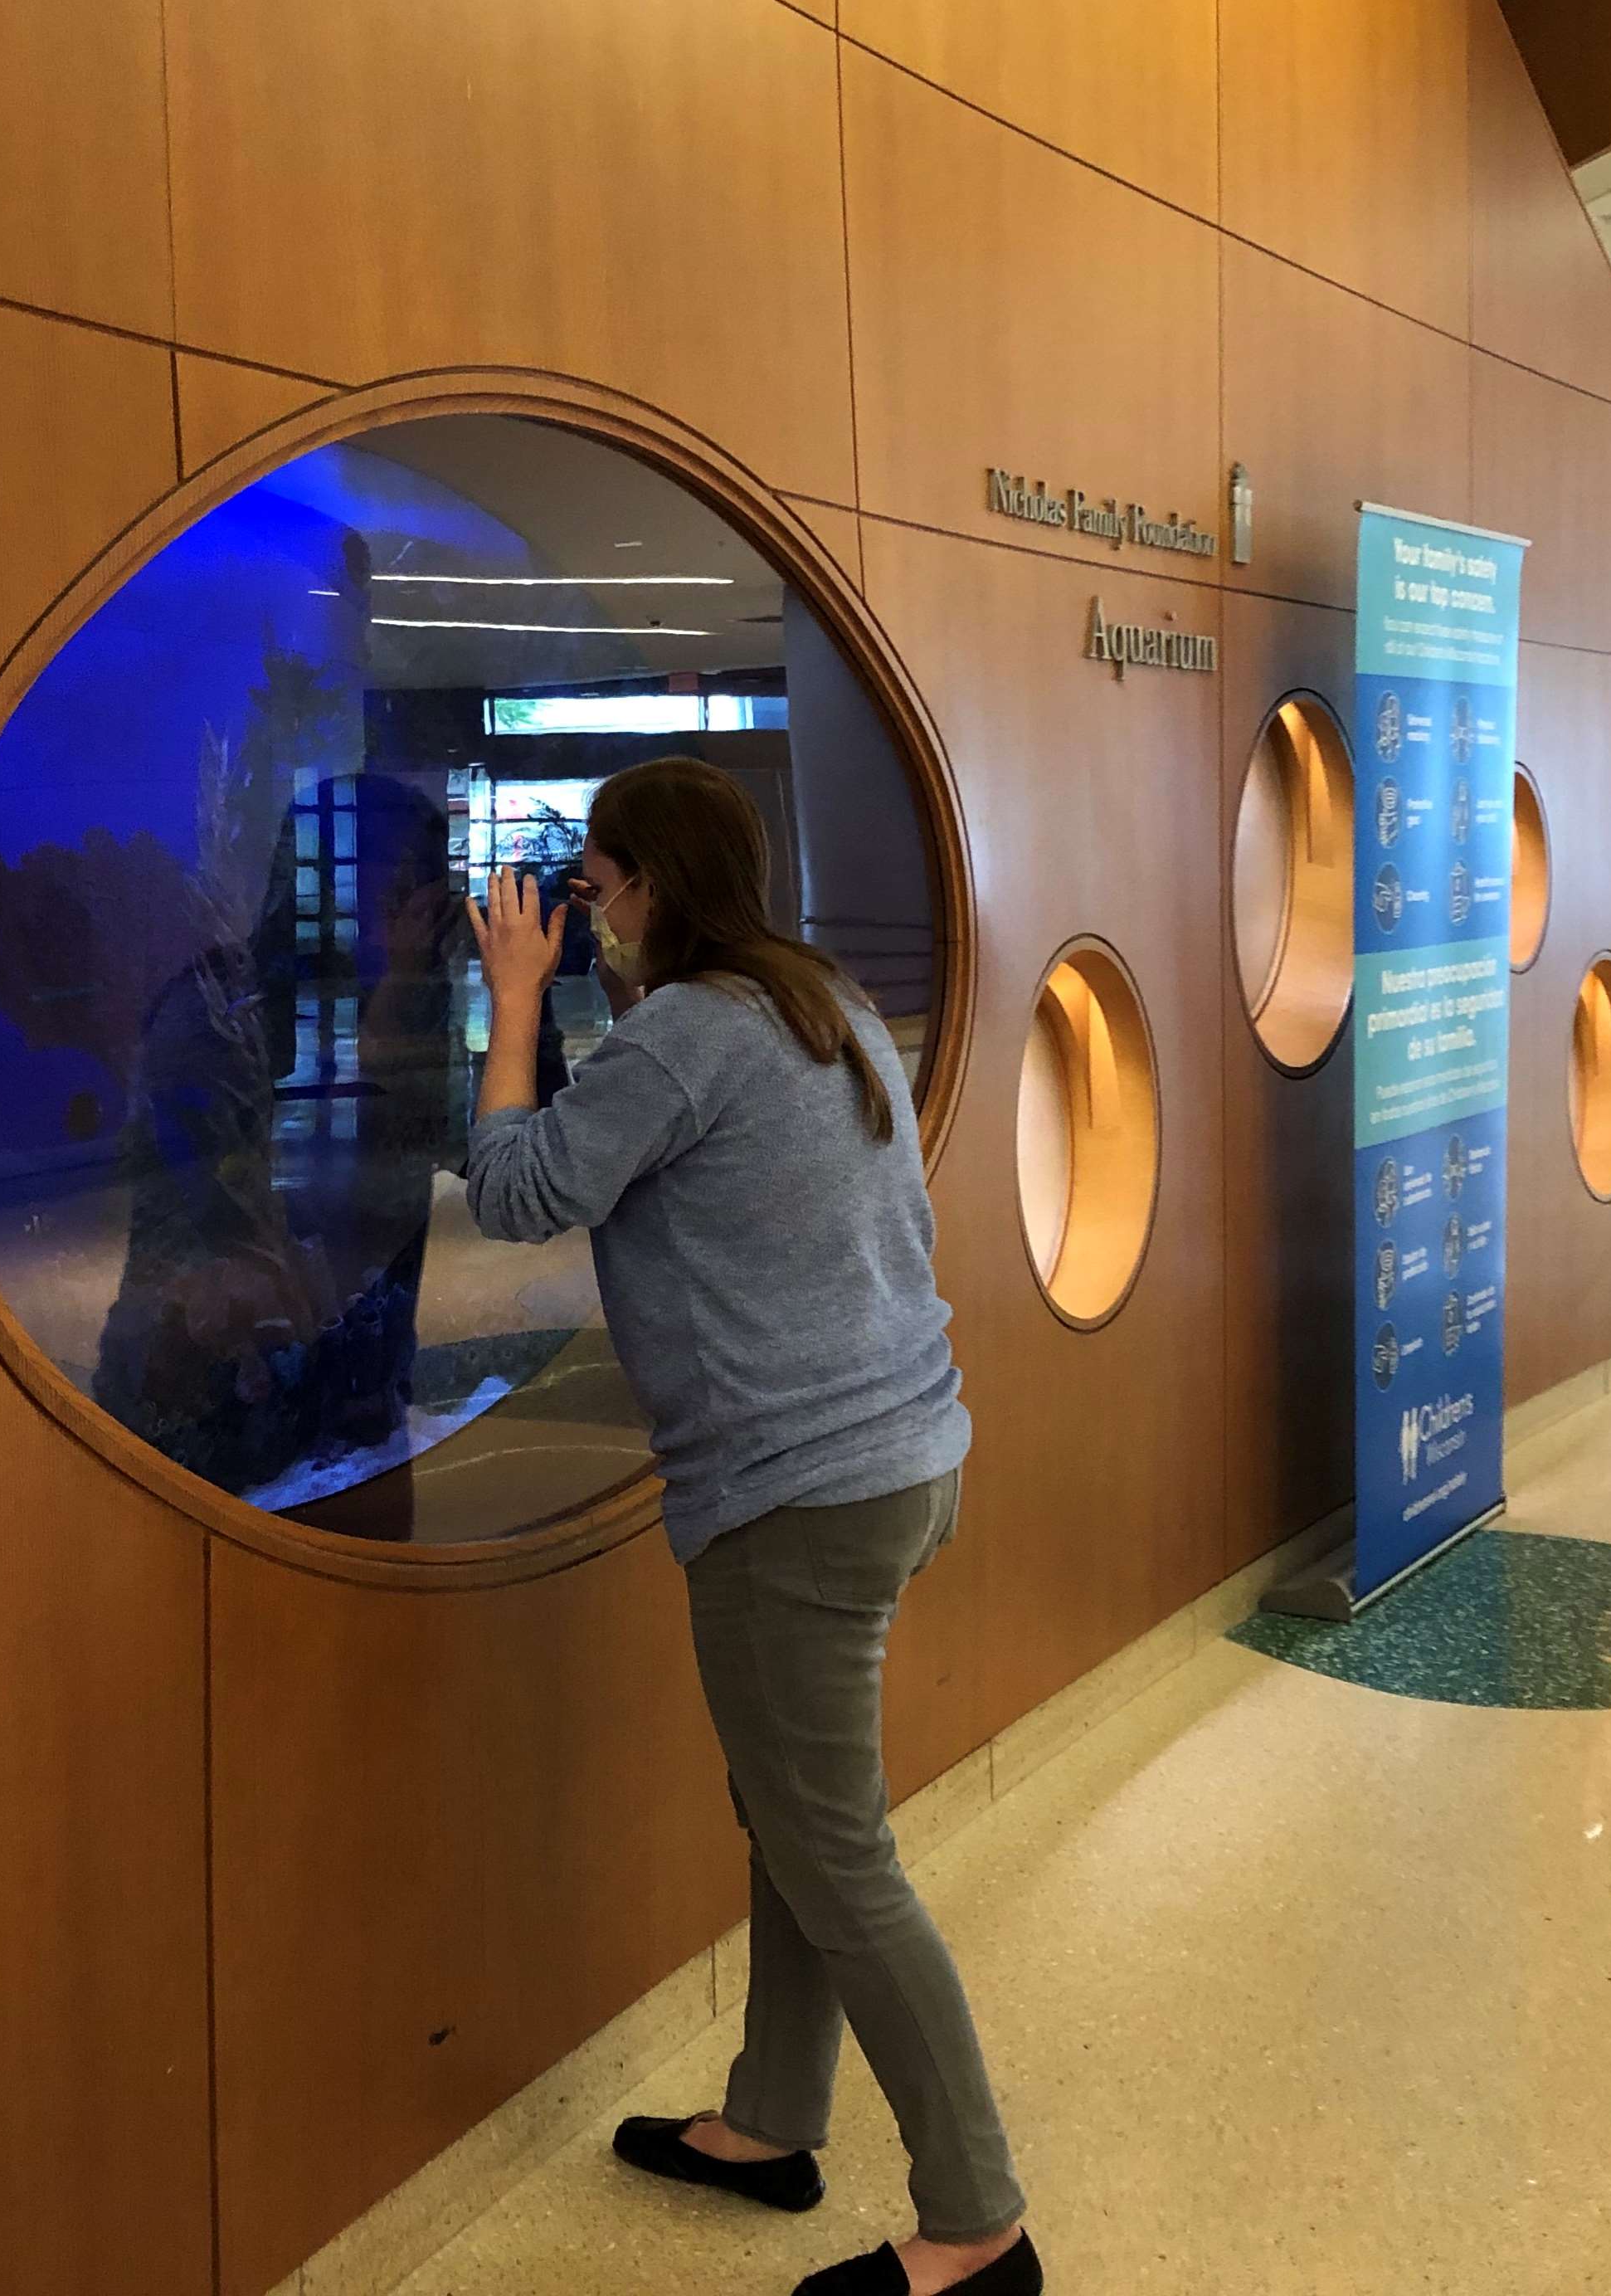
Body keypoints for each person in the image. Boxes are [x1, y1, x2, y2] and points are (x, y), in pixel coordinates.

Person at [460, 756, 1038, 2296]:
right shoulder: (815, 1002)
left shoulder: (689, 1035)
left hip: (796, 1502)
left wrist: (514, 998)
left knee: (837, 1855)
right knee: (797, 1816)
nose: (583, 919)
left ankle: (979, 2229)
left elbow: (519, 1189)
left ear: (650, 885)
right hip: (907, 1461)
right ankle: (771, 2122)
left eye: (588, 892)